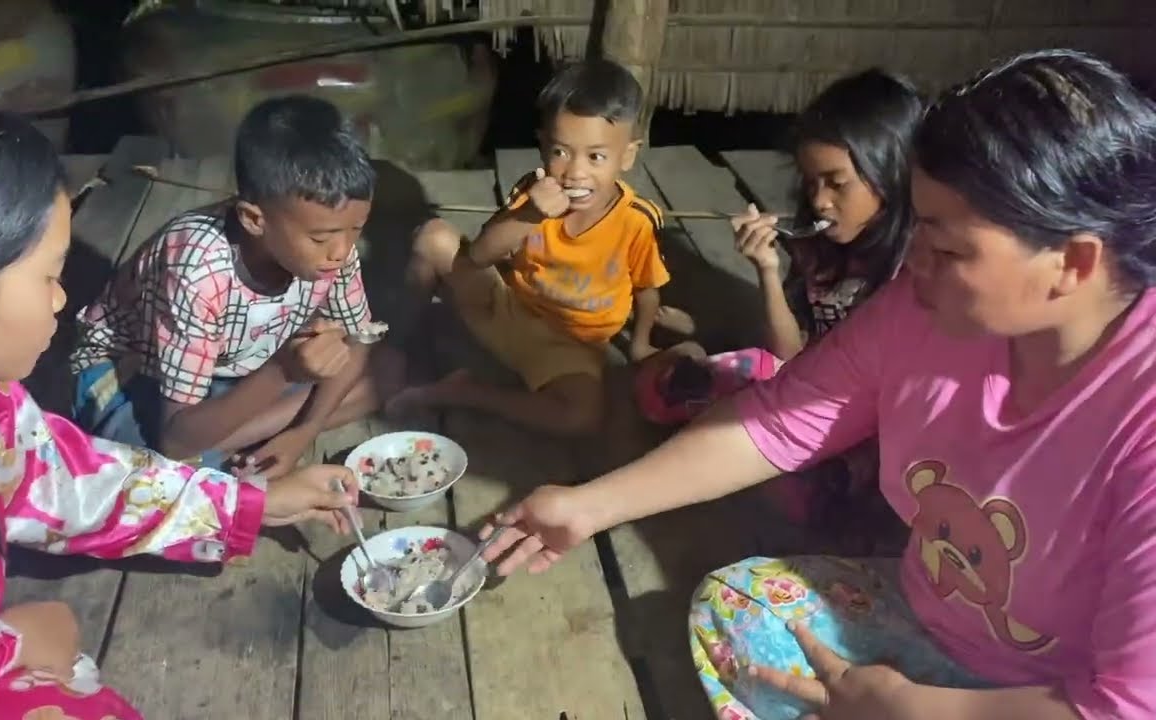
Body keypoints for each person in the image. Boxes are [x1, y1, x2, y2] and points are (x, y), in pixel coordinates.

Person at [482, 49, 1156, 720]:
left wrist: (917, 713)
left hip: (1062, 696)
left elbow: (1131, 703)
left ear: (1072, 263)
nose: (913, 258)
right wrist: (590, 506)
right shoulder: (921, 312)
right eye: (918, 224)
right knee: (736, 610)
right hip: (933, 621)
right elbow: (775, 423)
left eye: (948, 247)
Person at [0, 81, 359, 719]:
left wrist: (248, 504)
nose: (61, 301)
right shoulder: (197, 267)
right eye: (50, 275)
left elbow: (66, 480)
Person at [634, 70, 921, 542]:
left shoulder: (912, 271)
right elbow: (792, 355)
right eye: (811, 183)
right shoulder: (821, 249)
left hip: (866, 426)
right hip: (801, 389)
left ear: (891, 172)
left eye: (837, 183)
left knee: (796, 496)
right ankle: (688, 355)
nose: (820, 201)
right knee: (655, 392)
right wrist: (767, 269)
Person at [72, 95, 405, 479]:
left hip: (238, 372)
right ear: (253, 219)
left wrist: (304, 432)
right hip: (133, 380)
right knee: (167, 456)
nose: (343, 251)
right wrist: (285, 370)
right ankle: (198, 458)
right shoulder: (197, 271)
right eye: (320, 238)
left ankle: (222, 447)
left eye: (356, 230)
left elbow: (357, 338)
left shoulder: (332, 245)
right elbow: (175, 438)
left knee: (387, 369)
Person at [390, 58, 671, 436]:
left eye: (596, 157)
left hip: (570, 348)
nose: (575, 172)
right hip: (503, 310)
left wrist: (640, 345)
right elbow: (479, 255)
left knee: (582, 417)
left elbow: (647, 287)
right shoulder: (533, 193)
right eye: (561, 152)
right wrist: (531, 215)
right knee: (433, 238)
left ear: (628, 155)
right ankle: (397, 346)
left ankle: (468, 393)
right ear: (542, 145)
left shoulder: (637, 219)